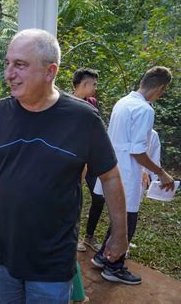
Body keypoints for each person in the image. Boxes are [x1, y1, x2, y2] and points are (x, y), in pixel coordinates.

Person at [0, 29, 128, 303]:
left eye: (20, 65)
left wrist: (120, 235)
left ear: (50, 71)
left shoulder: (83, 119)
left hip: (51, 261)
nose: (8, 73)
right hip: (1, 254)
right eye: (7, 63)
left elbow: (110, 177)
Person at [92, 66, 174, 285]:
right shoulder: (145, 109)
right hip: (127, 173)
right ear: (161, 88)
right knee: (128, 220)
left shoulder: (123, 102)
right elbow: (138, 150)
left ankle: (102, 255)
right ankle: (114, 266)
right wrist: (160, 173)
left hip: (112, 169)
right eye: (163, 91)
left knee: (120, 216)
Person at [72, 68, 105, 252]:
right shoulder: (66, 104)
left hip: (91, 162)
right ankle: (72, 237)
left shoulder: (92, 103)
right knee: (74, 200)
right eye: (93, 83)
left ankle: (89, 237)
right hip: (74, 162)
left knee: (98, 198)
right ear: (84, 84)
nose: (95, 87)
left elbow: (95, 132)